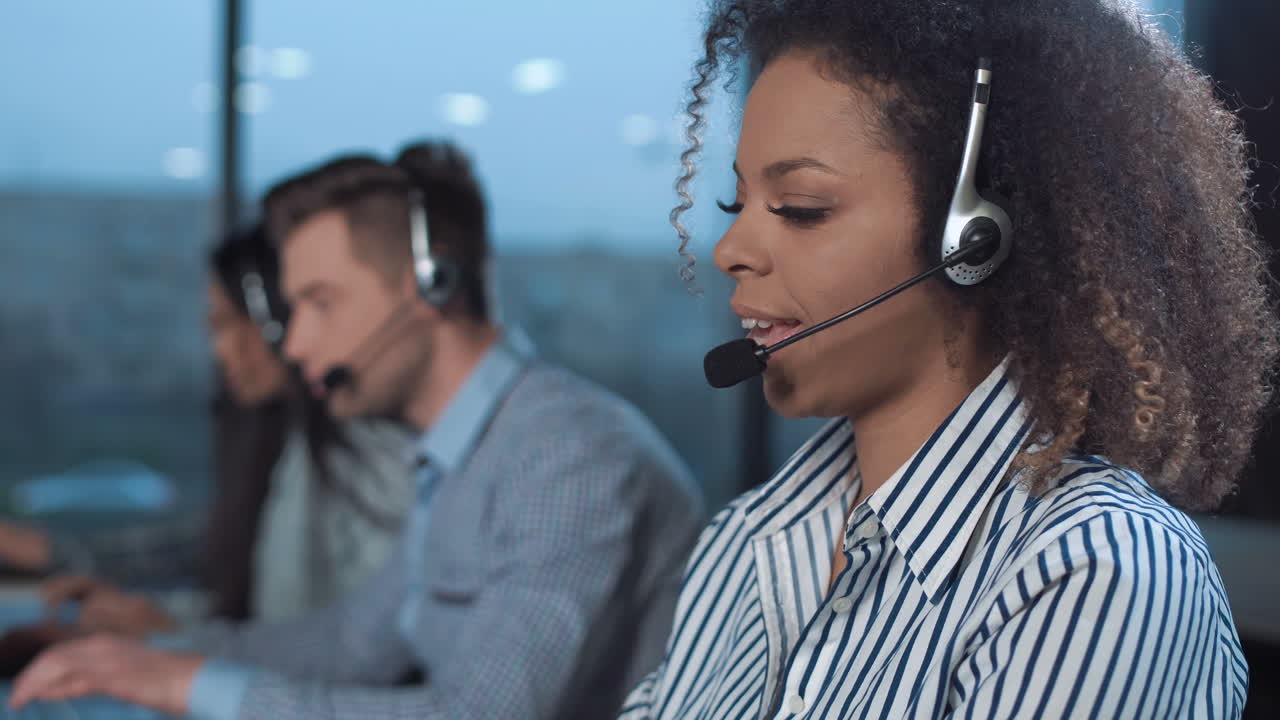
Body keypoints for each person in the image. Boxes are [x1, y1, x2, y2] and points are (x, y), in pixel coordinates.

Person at [618, 1, 1272, 718]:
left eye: (801, 207)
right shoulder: (742, 544)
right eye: (732, 203)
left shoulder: (1094, 571)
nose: (728, 251)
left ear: (974, 241)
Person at [9, 140, 705, 720]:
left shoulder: (568, 453)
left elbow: (478, 716)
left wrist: (182, 683)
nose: (296, 343)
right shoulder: (455, 454)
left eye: (320, 302)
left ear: (431, 286)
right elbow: (351, 643)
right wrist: (152, 657)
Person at [0, 223, 413, 635]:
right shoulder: (288, 443)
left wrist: (168, 635)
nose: (219, 350)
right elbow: (223, 555)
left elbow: (338, 652)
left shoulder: (362, 451)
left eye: (229, 324)